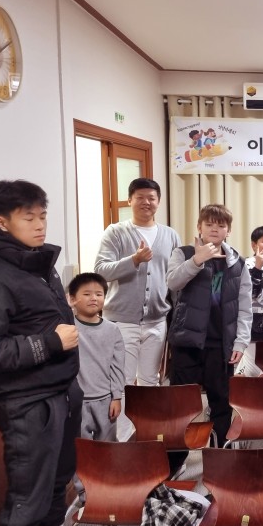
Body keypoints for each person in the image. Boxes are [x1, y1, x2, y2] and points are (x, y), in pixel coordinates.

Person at [0, 180, 81, 526]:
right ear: (1, 222)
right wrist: (51, 343)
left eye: (43, 216)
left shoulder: (36, 261)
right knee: (26, 505)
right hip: (28, 405)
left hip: (61, 392)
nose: (40, 225)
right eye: (29, 218)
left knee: (58, 484)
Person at [94, 177, 182, 439]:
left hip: (157, 320)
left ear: (158, 202)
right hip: (122, 321)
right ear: (129, 200)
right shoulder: (115, 232)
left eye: (151, 198)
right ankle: (122, 440)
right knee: (121, 382)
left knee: (150, 379)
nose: (146, 202)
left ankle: (147, 435)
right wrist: (133, 260)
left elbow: (175, 277)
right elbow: (101, 270)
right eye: (140, 197)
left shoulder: (170, 235)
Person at [166, 204, 252, 450]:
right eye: (209, 224)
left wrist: (241, 342)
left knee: (221, 403)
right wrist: (196, 260)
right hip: (187, 342)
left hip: (220, 344)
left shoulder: (238, 263)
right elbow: (172, 282)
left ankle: (220, 457)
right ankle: (177, 460)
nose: (215, 229)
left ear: (228, 230)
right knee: (181, 405)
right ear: (199, 227)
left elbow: (245, 306)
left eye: (221, 225)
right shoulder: (183, 253)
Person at [69, 272, 124, 444]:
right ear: (72, 299)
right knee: (81, 449)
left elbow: (117, 366)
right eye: (87, 294)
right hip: (77, 401)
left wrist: (117, 397)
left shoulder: (112, 330)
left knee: (107, 447)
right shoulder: (68, 328)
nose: (93, 298)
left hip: (106, 400)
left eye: (99, 294)